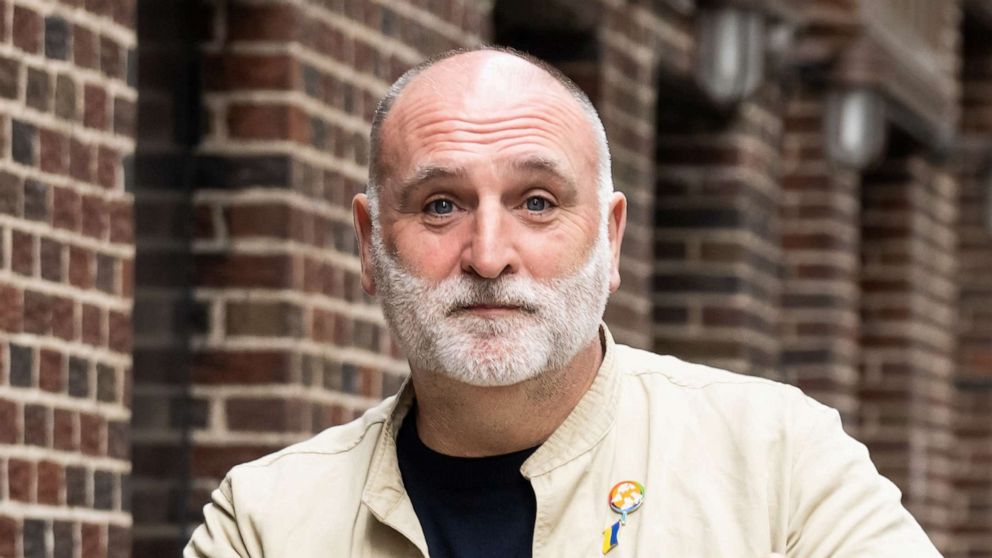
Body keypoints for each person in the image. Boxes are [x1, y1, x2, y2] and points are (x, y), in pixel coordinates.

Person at [184, 47, 940, 557]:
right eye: (441, 205)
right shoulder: (266, 521)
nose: (488, 254)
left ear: (610, 239)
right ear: (369, 243)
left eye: (537, 201)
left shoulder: (777, 462)